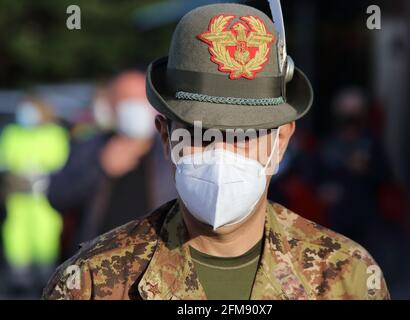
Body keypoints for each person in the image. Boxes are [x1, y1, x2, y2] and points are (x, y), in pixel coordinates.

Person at [43, 3, 389, 300]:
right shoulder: (90, 282)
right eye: (200, 133)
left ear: (281, 141)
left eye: (244, 135)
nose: (222, 153)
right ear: (166, 138)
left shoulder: (346, 276)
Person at [47, 71, 176, 256]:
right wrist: (101, 169)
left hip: (156, 263)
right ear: (111, 104)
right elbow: (57, 196)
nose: (135, 106)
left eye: (141, 98)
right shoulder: (88, 147)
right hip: (97, 265)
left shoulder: (171, 152)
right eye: (126, 99)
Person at [0, 96, 69, 296]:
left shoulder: (55, 134)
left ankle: (47, 280)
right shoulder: (12, 133)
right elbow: (4, 161)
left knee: (46, 238)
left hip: (44, 200)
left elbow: (61, 164)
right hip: (17, 199)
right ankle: (19, 280)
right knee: (15, 237)